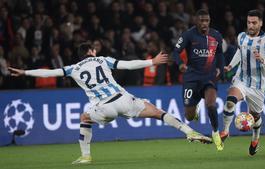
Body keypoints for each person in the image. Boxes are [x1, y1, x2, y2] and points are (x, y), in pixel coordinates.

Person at [8, 42, 212, 164]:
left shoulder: (73, 68)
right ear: (91, 52)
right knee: (157, 112)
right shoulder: (103, 60)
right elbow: (129, 65)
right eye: (94, 49)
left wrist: (25, 71)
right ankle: (189, 132)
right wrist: (151, 62)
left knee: (84, 118)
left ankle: (86, 157)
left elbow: (49, 72)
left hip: (103, 107)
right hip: (123, 100)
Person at [220, 10, 265, 155]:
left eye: (254, 23)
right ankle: (226, 131)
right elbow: (239, 52)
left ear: (260, 23)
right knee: (230, 101)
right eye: (249, 22)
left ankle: (255, 139)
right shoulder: (241, 36)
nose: (251, 25)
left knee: (256, 117)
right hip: (241, 80)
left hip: (258, 87)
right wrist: (231, 65)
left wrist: (264, 60)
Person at [172, 9, 224, 151]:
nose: (204, 23)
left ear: (209, 21)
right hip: (191, 78)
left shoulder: (216, 35)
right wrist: (181, 64)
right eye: (201, 20)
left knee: (211, 105)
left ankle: (215, 132)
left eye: (206, 20)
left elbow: (220, 54)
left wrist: (220, 68)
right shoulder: (188, 35)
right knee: (189, 116)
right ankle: (195, 110)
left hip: (209, 77)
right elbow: (175, 52)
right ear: (196, 21)